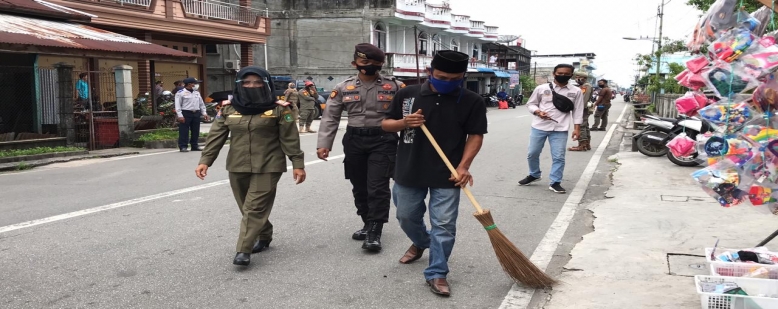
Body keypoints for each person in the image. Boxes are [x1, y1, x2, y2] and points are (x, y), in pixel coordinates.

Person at [382, 50, 487, 297]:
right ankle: (421, 242)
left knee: (444, 225)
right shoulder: (408, 94)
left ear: (463, 75)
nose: (448, 82)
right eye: (442, 77)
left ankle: (437, 272)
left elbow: (476, 136)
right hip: (409, 169)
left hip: (448, 174)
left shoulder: (472, 101)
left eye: (455, 79)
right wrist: (404, 123)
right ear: (430, 71)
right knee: (406, 217)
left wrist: (463, 166)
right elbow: (386, 124)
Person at [195, 66, 306, 266]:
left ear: (266, 84)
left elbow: (290, 139)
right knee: (246, 206)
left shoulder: (280, 108)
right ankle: (264, 233)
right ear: (239, 84)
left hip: (269, 164)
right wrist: (205, 161)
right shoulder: (228, 108)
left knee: (254, 207)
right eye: (246, 82)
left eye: (257, 82)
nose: (252, 86)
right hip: (238, 164)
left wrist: (297, 163)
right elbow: (215, 137)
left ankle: (243, 250)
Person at [317, 43, 403, 252]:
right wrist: (323, 144)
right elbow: (330, 117)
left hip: (384, 140)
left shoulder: (395, 86)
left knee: (378, 186)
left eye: (375, 63)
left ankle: (375, 230)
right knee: (359, 185)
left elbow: (407, 116)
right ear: (354, 63)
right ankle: (367, 221)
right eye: (365, 62)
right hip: (354, 140)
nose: (370, 66)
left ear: (381, 64)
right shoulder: (343, 87)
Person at [518, 64, 584, 194]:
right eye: (560, 73)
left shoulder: (576, 91)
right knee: (532, 153)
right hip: (539, 127)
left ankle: (555, 182)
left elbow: (578, 111)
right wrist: (538, 112)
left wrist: (577, 129)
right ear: (554, 73)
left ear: (571, 75)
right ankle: (534, 174)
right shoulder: (541, 88)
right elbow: (531, 104)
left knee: (559, 157)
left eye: (566, 74)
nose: (563, 75)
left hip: (560, 128)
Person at [174, 77, 209, 152]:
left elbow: (201, 104)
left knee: (196, 130)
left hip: (196, 113)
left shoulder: (196, 92)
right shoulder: (180, 93)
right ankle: (183, 146)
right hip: (186, 113)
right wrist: (180, 115)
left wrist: (204, 113)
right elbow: (178, 105)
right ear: (189, 84)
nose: (196, 85)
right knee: (184, 130)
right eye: (195, 83)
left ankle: (194, 145)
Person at [568, 71, 594, 151]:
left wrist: (580, 109)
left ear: (584, 78)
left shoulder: (586, 86)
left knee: (581, 126)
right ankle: (586, 144)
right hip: (584, 108)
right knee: (585, 126)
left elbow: (584, 99)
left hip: (583, 108)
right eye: (576, 77)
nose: (576, 79)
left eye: (578, 77)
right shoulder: (583, 86)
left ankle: (582, 145)